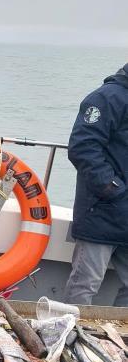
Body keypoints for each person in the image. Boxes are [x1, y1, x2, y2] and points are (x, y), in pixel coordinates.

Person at [63, 64, 128, 307]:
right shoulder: (106, 98)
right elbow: (83, 147)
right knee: (85, 284)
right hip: (102, 210)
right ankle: (69, 339)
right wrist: (114, 190)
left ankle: (118, 342)